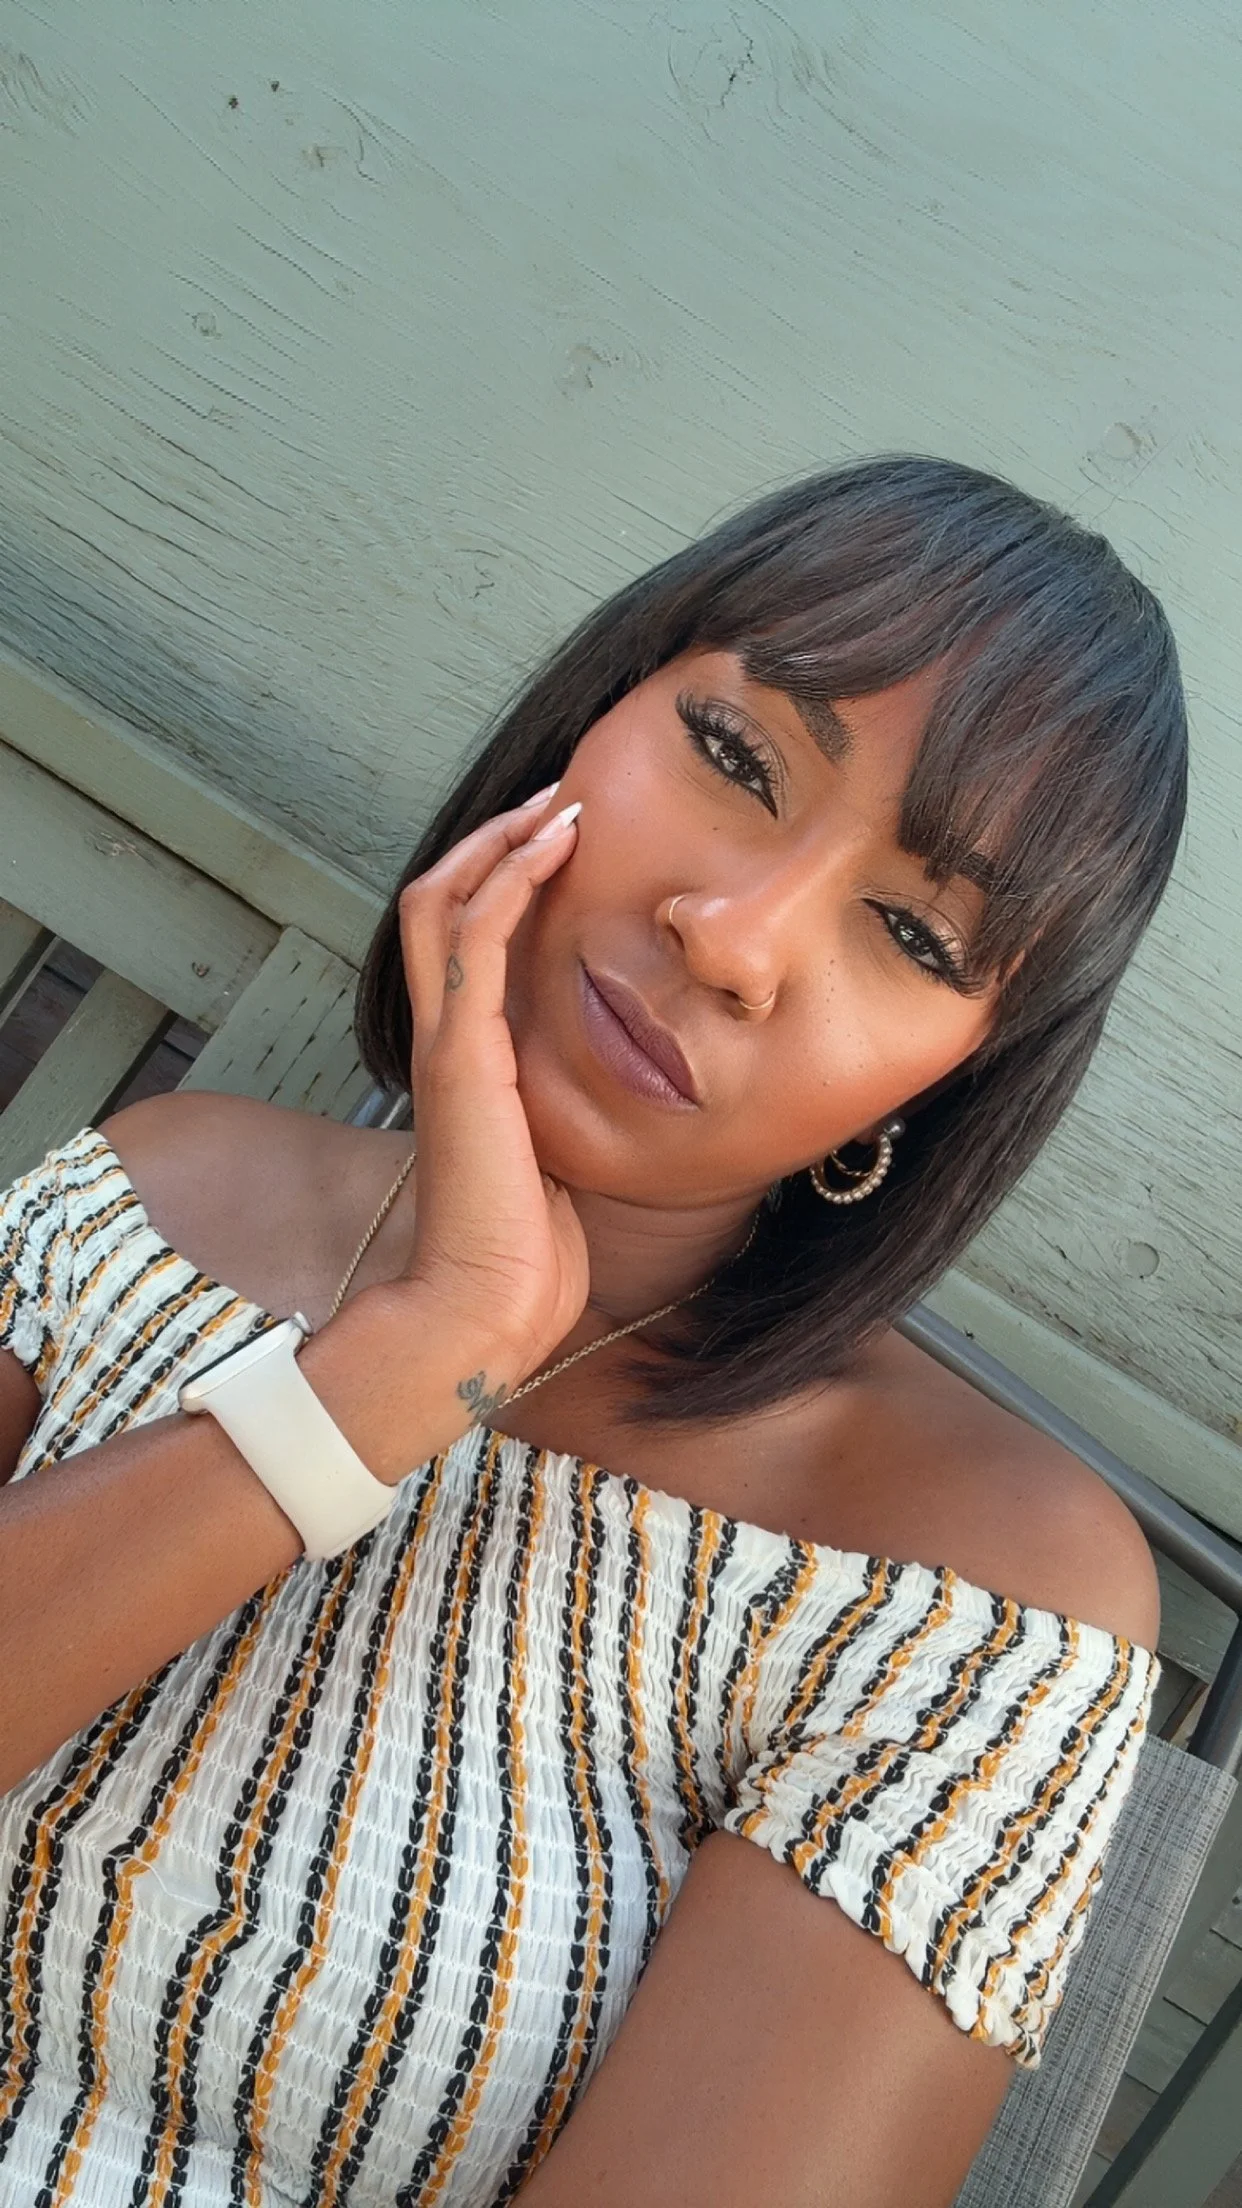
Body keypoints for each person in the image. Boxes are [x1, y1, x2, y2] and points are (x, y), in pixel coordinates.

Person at [0, 455, 1184, 2208]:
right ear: (589, 713)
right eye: (732, 758)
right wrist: (407, 1361)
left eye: (913, 933)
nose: (736, 938)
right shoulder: (154, 1196)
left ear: (952, 1080)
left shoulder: (973, 1593)